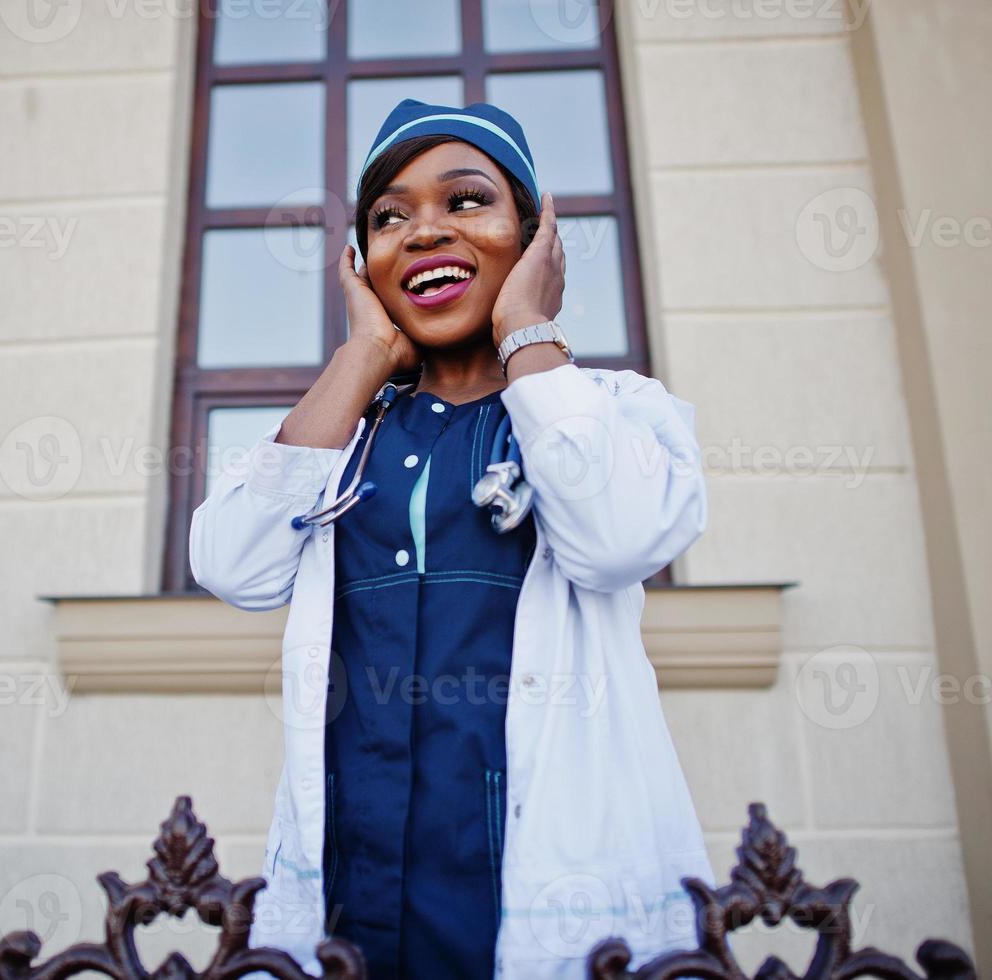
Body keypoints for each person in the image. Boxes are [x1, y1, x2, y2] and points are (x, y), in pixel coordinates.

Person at [190, 99, 715, 979]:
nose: (423, 232)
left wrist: (527, 336)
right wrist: (361, 357)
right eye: (389, 218)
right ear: (363, 264)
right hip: (355, 902)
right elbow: (228, 563)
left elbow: (617, 537)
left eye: (466, 201)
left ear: (536, 238)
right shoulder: (344, 437)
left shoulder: (612, 413)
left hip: (546, 900)